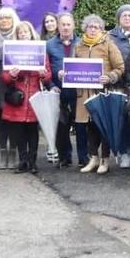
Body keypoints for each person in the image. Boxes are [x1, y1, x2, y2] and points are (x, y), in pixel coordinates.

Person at [73, 14, 125, 175]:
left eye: (96, 27)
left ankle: (105, 159)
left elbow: (120, 67)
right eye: (90, 26)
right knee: (89, 127)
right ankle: (93, 158)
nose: (93, 29)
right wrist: (65, 73)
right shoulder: (79, 46)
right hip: (84, 94)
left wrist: (110, 77)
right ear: (85, 28)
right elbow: (74, 67)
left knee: (103, 126)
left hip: (102, 92)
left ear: (101, 29)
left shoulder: (108, 44)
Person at [0, 20, 51, 174]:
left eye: (26, 32)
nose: (23, 35)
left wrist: (43, 75)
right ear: (17, 35)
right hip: (18, 98)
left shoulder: (40, 51)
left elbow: (48, 74)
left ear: (31, 34)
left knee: (33, 132)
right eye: (20, 32)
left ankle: (32, 161)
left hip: (34, 96)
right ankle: (22, 161)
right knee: (19, 132)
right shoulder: (11, 51)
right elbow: (5, 78)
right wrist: (12, 75)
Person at [46, 13, 84, 168]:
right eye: (63, 24)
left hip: (78, 92)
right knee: (61, 126)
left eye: (69, 24)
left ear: (73, 25)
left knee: (81, 125)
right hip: (58, 90)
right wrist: (51, 85)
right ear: (58, 26)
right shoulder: (49, 45)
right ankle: (65, 157)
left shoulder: (82, 43)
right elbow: (45, 69)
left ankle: (84, 157)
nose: (66, 27)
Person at [108, 4, 130, 167]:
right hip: (118, 85)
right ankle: (122, 152)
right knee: (121, 119)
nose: (127, 18)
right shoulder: (110, 37)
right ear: (119, 19)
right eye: (124, 15)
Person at [0, 6, 21, 169]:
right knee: (1, 118)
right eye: (1, 18)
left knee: (15, 118)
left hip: (17, 81)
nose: (4, 21)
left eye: (8, 18)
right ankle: (3, 154)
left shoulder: (20, 33)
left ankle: (14, 152)